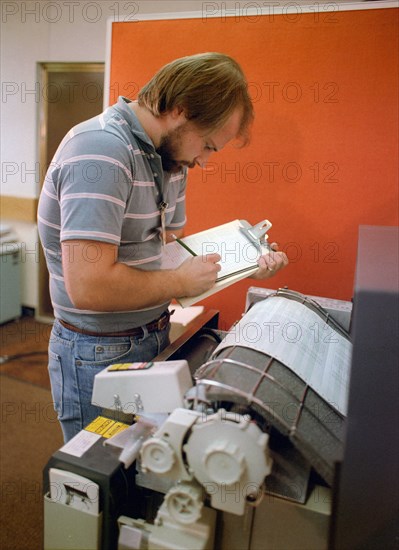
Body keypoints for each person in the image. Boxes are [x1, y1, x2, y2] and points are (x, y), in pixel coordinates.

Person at [38, 52, 288, 442]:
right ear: (179, 110)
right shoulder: (102, 151)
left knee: (147, 465)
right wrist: (178, 283)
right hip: (97, 350)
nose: (203, 161)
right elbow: (88, 286)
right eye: (207, 145)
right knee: (102, 479)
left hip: (153, 333)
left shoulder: (168, 158)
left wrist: (242, 263)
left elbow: (163, 248)